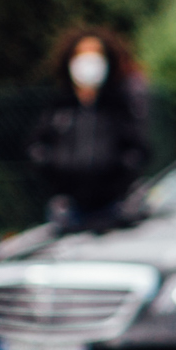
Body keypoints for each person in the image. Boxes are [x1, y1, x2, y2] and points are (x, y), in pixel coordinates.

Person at [27, 27, 151, 230]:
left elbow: (138, 149)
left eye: (96, 54)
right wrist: (57, 174)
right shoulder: (60, 107)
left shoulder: (119, 105)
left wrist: (116, 180)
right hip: (69, 209)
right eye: (82, 54)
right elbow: (37, 147)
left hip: (112, 209)